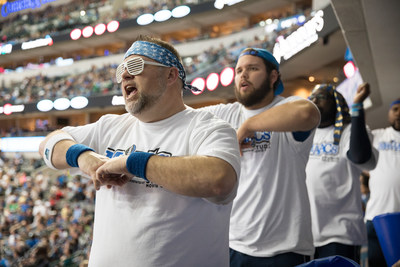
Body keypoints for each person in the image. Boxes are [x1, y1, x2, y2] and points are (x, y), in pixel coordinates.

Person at [38, 35, 241, 266]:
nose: (124, 75)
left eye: (135, 66)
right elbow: (48, 144)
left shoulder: (209, 127)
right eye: (121, 71)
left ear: (170, 75)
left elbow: (218, 180)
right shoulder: (110, 126)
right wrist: (83, 156)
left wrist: (133, 163)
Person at [200, 47, 321, 266]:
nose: (242, 75)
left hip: (285, 249)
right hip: (234, 244)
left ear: (273, 76)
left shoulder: (286, 107)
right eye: (238, 71)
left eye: (252, 69)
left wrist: (249, 125)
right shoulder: (226, 114)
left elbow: (308, 113)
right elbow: (181, 118)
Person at [305, 83, 378, 262]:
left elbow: (360, 156)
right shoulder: (304, 136)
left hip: (340, 233)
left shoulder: (350, 131)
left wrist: (357, 107)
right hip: (305, 235)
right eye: (312, 97)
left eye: (321, 97)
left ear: (337, 103)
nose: (315, 101)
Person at [365, 98, 400, 267]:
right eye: (395, 109)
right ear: (389, 114)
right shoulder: (377, 136)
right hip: (375, 216)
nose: (399, 113)